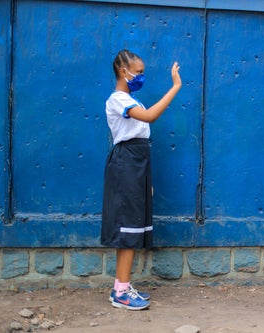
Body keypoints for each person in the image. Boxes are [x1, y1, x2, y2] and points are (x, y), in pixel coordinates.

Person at [101, 49, 182, 310]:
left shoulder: (132, 100)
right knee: (128, 225)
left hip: (137, 165)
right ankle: (121, 292)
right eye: (138, 72)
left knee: (134, 224)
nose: (141, 76)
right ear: (123, 71)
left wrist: (146, 180)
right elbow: (149, 118)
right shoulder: (117, 100)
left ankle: (121, 286)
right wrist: (175, 87)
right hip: (127, 163)